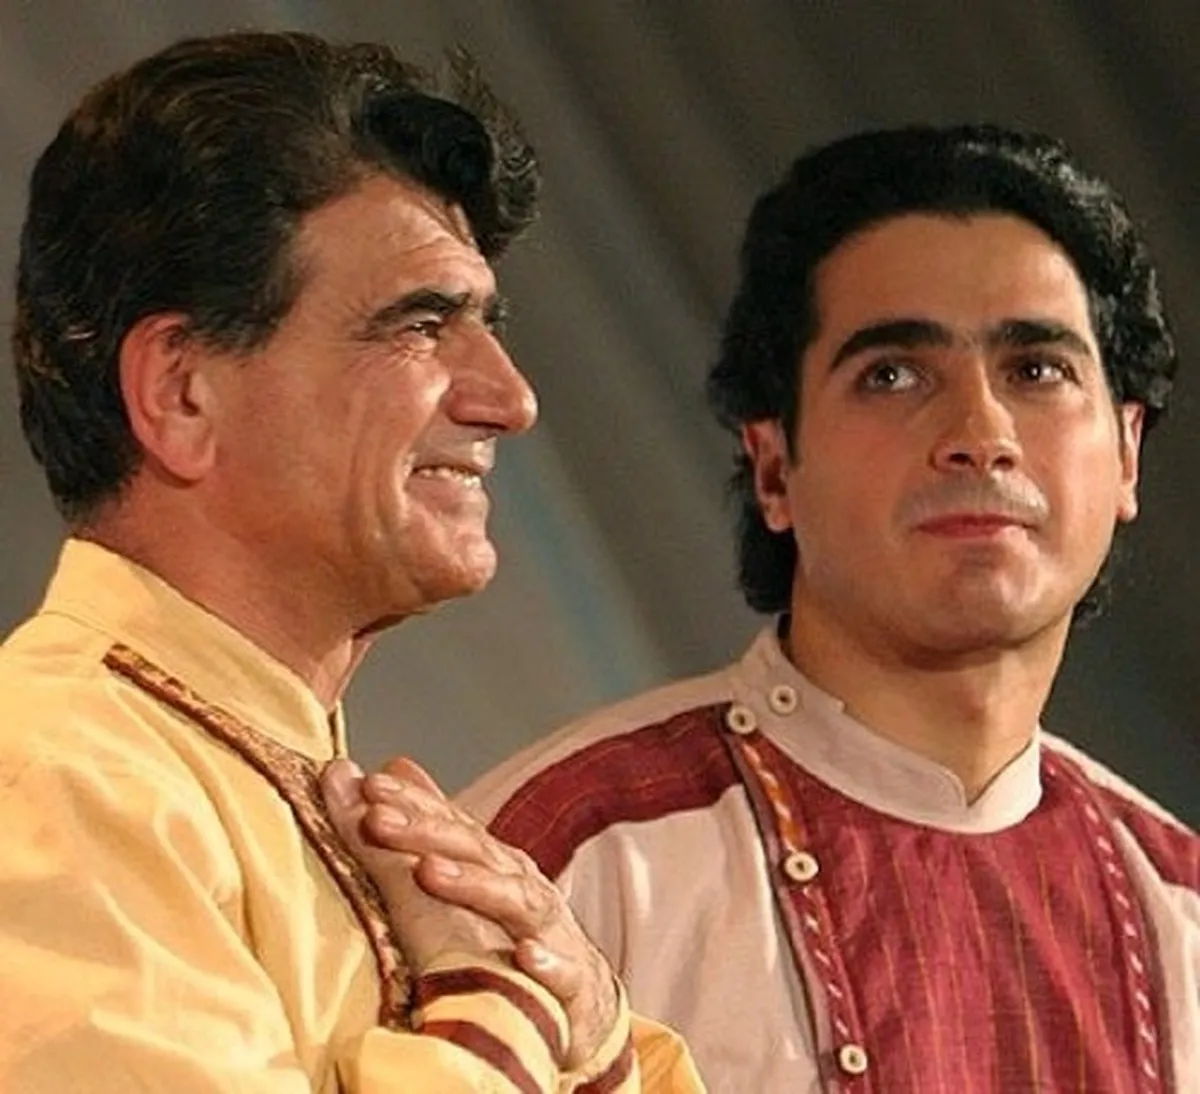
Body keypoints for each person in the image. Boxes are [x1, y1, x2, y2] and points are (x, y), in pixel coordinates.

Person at [0, 30, 702, 1093]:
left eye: (486, 324)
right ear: (182, 392)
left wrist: (593, 1024)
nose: (510, 398)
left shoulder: (252, 776)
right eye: (421, 324)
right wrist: (501, 1004)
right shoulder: (57, 781)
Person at [462, 125, 1199, 1092]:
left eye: (1036, 371)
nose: (979, 432)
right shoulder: (569, 857)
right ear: (774, 466)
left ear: (1128, 453)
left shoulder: (1180, 915)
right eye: (893, 375)